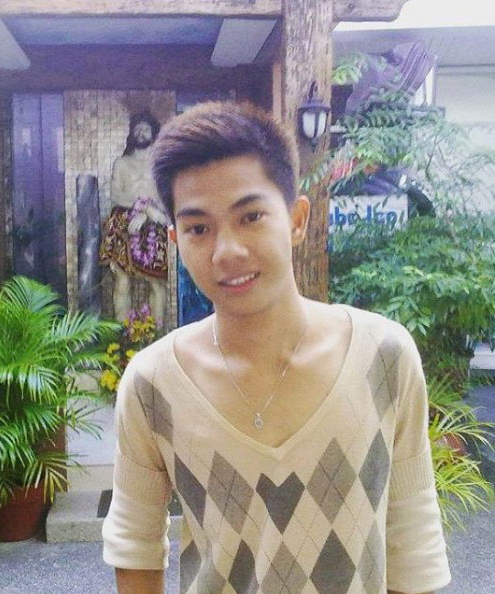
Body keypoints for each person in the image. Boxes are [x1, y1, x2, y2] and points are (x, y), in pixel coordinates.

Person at [102, 101, 451, 594]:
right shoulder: (152, 382)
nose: (227, 251)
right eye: (199, 228)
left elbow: (412, 542)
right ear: (177, 239)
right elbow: (134, 545)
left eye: (251, 216)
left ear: (297, 219)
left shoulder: (384, 356)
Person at [100, 111, 169, 326]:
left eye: (145, 128)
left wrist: (149, 214)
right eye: (137, 128)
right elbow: (115, 195)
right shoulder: (121, 163)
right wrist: (142, 208)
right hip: (123, 222)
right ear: (131, 133)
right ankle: (123, 336)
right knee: (121, 279)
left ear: (154, 134)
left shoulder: (160, 165)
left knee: (156, 282)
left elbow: (165, 198)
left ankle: (156, 335)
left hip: (154, 224)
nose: (141, 132)